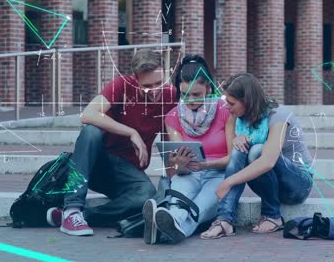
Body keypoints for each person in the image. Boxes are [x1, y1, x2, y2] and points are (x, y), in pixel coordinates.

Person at [46, 49, 176, 236]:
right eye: (148, 86)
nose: (155, 91)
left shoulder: (170, 95)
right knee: (91, 132)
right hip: (96, 163)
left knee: (146, 195)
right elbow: (88, 115)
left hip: (126, 171)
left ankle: (85, 216)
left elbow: (167, 142)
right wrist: (131, 132)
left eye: (159, 83)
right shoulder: (121, 86)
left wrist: (172, 180)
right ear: (135, 79)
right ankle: (72, 210)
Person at [200, 73, 313, 239]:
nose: (226, 107)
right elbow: (235, 157)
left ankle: (272, 215)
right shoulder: (236, 117)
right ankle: (225, 219)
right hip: (271, 185)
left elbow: (268, 161)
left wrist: (228, 181)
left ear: (247, 101)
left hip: (297, 185)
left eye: (231, 103)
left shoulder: (279, 116)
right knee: (240, 149)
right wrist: (237, 139)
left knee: (257, 151)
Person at [143, 55, 235, 244]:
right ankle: (171, 223)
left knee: (199, 207)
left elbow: (233, 158)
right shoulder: (173, 116)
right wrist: (179, 164)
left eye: (196, 94)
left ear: (208, 88)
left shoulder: (225, 110)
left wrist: (205, 165)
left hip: (218, 174)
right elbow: (178, 168)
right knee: (179, 201)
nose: (190, 100)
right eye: (185, 94)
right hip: (188, 173)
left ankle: (161, 228)